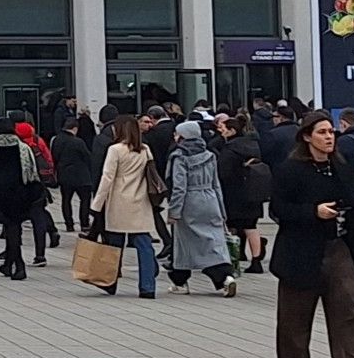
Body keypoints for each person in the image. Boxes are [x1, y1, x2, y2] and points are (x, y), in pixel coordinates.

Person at [270, 113, 354, 358]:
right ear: (307, 137)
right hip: (300, 250)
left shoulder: (340, 168)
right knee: (295, 316)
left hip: (337, 247)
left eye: (331, 132)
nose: (329, 137)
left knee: (347, 312)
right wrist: (313, 211)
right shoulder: (291, 170)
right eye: (322, 132)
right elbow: (278, 210)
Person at [88, 112, 161, 298]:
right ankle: (147, 286)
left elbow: (107, 178)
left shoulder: (115, 149)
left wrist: (96, 204)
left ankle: (109, 282)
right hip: (140, 199)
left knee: (114, 244)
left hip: (119, 200)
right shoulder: (145, 149)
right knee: (143, 243)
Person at [166, 120, 237, 296]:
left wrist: (174, 211)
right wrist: (222, 210)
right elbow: (216, 184)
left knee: (184, 243)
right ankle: (226, 276)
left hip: (190, 202)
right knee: (213, 241)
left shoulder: (179, 156)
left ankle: (181, 280)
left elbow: (179, 187)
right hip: (210, 199)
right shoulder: (209, 155)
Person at [0, 114, 41, 280]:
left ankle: (18, 266)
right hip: (21, 196)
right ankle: (9, 265)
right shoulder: (23, 149)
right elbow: (33, 173)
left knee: (12, 230)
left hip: (0, 198)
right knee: (15, 230)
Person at [218, 111, 270, 274]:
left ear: (232, 131)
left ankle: (232, 260)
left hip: (233, 194)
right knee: (251, 227)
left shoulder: (230, 149)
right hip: (253, 193)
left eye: (224, 130)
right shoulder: (253, 146)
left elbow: (222, 173)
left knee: (231, 227)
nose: (222, 133)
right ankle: (256, 260)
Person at [14, 115, 60, 264]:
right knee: (38, 216)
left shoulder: (18, 146)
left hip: (21, 186)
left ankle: (13, 249)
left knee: (15, 219)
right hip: (38, 185)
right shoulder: (37, 141)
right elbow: (48, 158)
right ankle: (40, 254)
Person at [51, 115, 99, 234]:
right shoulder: (78, 142)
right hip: (81, 176)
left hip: (64, 175)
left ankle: (69, 224)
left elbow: (54, 156)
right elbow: (88, 157)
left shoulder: (56, 139)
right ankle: (84, 223)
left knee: (66, 200)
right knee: (85, 200)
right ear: (75, 128)